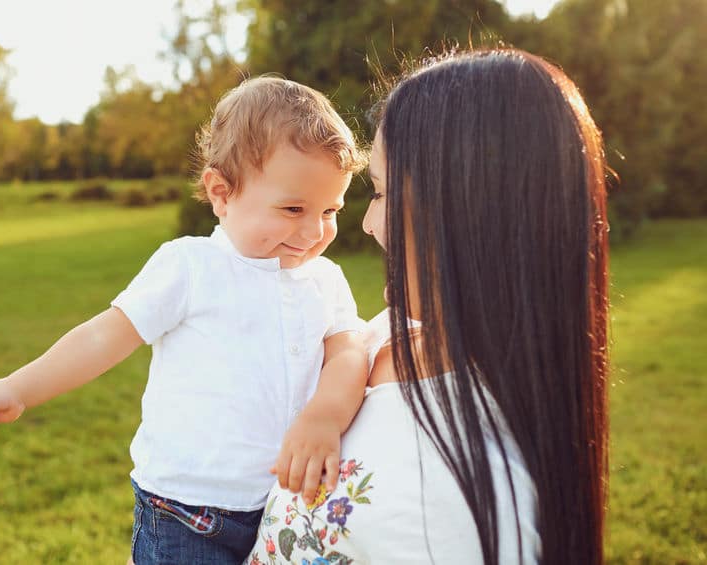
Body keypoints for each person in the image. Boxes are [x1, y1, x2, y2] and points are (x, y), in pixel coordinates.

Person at [0, 76, 371, 565]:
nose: (314, 230)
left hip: (287, 507)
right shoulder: (190, 266)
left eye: (330, 210)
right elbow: (104, 337)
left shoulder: (325, 279)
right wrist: (18, 389)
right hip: (186, 513)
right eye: (293, 208)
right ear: (222, 193)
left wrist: (324, 416)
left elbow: (349, 352)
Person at [246, 49, 609, 565]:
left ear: (463, 210)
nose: (368, 225)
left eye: (378, 192)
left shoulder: (467, 503)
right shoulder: (389, 335)